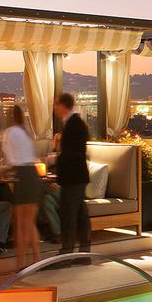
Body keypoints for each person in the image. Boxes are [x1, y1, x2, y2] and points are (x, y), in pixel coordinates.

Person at [2, 105, 44, 269]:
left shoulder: (9, 133)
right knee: (29, 221)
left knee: (20, 223)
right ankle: (36, 259)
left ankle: (20, 263)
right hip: (33, 175)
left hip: (22, 176)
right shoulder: (26, 133)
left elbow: (11, 162)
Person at [53, 92, 91, 260]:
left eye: (56, 105)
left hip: (73, 177)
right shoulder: (74, 123)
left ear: (62, 105)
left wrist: (54, 158)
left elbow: (72, 153)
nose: (54, 108)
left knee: (70, 214)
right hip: (77, 176)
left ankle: (67, 252)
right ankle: (84, 253)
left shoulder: (73, 124)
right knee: (80, 214)